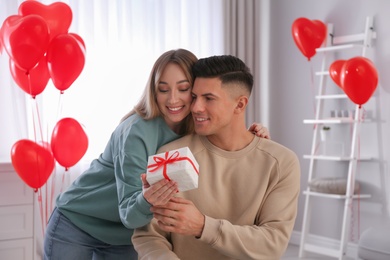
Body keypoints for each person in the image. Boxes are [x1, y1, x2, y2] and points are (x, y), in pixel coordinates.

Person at [43, 49, 270, 260]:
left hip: (127, 236)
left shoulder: (196, 125)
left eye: (183, 89)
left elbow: (222, 143)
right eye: (163, 89)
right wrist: (148, 199)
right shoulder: (136, 132)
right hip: (79, 223)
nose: (172, 99)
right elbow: (129, 213)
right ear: (153, 90)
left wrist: (250, 136)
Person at [132, 55, 301, 260]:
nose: (195, 107)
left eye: (208, 98)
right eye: (194, 97)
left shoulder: (281, 162)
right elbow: (150, 237)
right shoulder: (170, 156)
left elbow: (272, 244)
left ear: (239, 105)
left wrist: (203, 226)